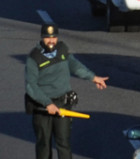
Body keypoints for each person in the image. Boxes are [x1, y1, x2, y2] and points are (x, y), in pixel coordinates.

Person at [25, 23, 109, 159]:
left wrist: (93, 77)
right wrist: (47, 103)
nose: (51, 41)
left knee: (63, 143)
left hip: (62, 104)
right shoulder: (34, 57)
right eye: (47, 37)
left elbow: (75, 66)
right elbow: (31, 86)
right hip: (42, 108)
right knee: (43, 146)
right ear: (42, 38)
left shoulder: (62, 50)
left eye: (54, 37)